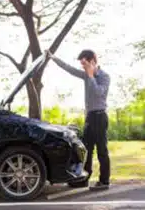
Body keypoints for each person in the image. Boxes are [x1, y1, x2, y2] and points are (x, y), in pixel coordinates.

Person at [46, 49, 111, 190]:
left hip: (100, 117)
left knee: (102, 150)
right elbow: (69, 69)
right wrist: (53, 58)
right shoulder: (85, 75)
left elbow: (99, 93)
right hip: (90, 117)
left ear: (93, 61)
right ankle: (83, 179)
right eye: (82, 65)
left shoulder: (104, 76)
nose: (83, 67)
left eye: (85, 64)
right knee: (86, 150)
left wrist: (90, 75)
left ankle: (104, 181)